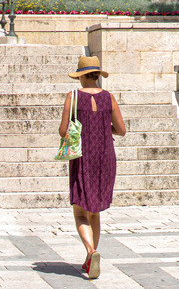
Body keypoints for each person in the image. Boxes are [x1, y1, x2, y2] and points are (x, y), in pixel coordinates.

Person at [59, 55, 124, 279]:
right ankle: (90, 261)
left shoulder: (73, 96)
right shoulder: (109, 97)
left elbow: (63, 130)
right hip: (106, 156)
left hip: (82, 157)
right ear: (97, 75)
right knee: (94, 211)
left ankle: (91, 251)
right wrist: (106, 129)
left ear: (81, 77)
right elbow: (122, 129)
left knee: (80, 211)